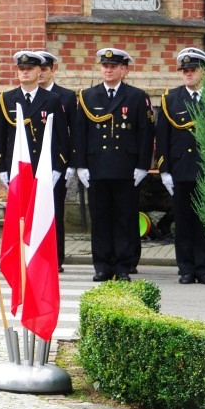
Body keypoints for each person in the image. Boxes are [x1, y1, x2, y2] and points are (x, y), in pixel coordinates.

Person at [74, 48, 154, 282]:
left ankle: (123, 265)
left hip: (126, 168)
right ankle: (102, 265)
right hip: (96, 166)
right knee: (100, 218)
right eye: (104, 66)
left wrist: (142, 166)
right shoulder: (87, 96)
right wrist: (81, 165)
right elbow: (80, 133)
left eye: (113, 66)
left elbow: (145, 133)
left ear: (124, 70)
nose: (108, 70)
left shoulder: (137, 96)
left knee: (125, 217)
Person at [155, 48, 205, 285]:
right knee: (183, 220)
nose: (188, 74)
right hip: (180, 169)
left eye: (192, 70)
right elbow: (163, 138)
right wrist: (164, 170)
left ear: (204, 72)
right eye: (184, 71)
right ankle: (186, 269)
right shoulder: (171, 98)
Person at [0, 50, 69, 201]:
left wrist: (59, 167)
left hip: (44, 164)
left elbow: (62, 137)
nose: (25, 72)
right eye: (22, 69)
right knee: (20, 216)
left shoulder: (52, 99)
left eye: (29, 69)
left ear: (39, 71)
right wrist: (1, 168)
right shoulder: (6, 99)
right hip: (17, 165)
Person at [38, 51, 77, 271]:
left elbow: (73, 131)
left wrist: (71, 163)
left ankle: (55, 258)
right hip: (33, 163)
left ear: (53, 70)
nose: (41, 73)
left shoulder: (66, 96)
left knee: (55, 212)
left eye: (45, 69)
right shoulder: (26, 95)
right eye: (39, 69)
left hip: (56, 162)